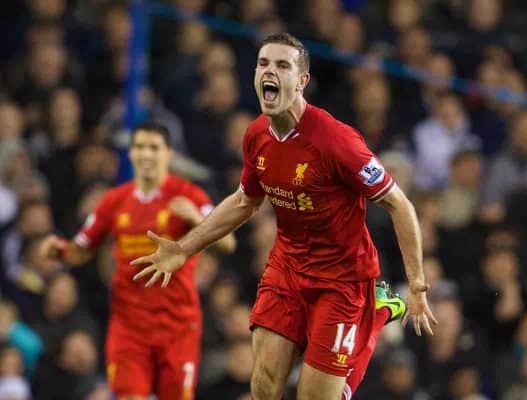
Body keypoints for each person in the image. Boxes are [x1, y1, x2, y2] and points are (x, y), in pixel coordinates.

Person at [132, 33, 436, 400]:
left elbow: (399, 205)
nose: (269, 71)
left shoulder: (337, 142)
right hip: (287, 269)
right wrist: (184, 248)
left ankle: (376, 313)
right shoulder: (256, 135)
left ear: (302, 81)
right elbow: (245, 202)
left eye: (282, 65)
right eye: (263, 63)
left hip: (342, 280)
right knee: (263, 386)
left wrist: (416, 283)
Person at [38, 122, 236, 400]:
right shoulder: (113, 201)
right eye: (139, 147)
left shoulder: (190, 196)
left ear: (168, 154)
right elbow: (80, 249)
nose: (146, 154)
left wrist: (196, 219)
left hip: (177, 326)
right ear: (131, 154)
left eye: (154, 147)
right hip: (129, 327)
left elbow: (228, 243)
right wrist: (58, 250)